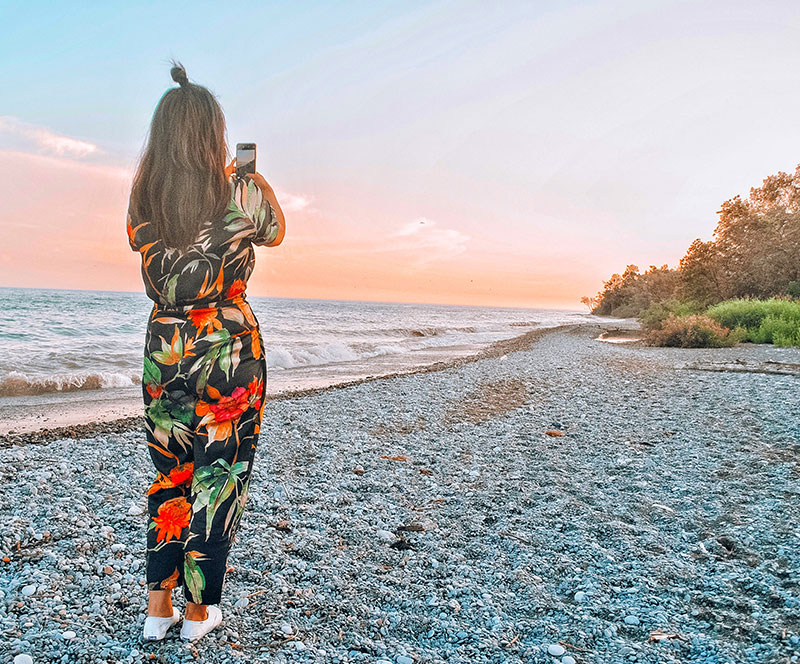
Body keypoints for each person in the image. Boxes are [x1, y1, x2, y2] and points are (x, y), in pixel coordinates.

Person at [126, 62, 285, 642]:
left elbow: (157, 267)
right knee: (217, 475)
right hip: (228, 346)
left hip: (164, 347)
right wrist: (251, 179)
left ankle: (157, 609)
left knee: (170, 474)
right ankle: (199, 613)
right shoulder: (239, 191)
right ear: (213, 135)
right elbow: (274, 231)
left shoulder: (144, 196)